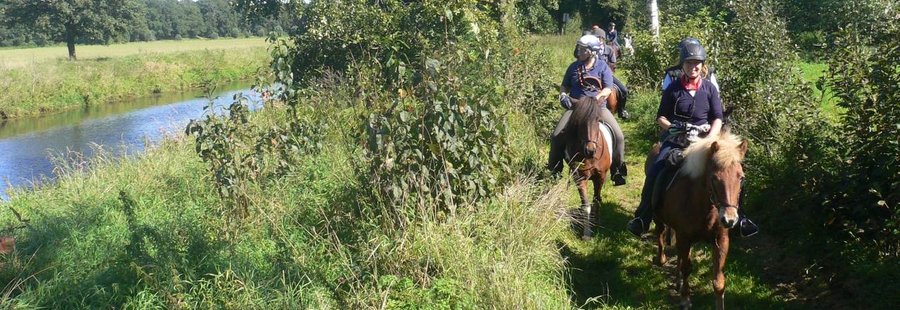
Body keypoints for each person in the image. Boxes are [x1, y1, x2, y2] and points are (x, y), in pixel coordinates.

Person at [626, 40, 758, 237]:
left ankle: (742, 218)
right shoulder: (673, 89)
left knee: (734, 172)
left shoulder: (710, 89)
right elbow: (660, 117)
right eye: (689, 63)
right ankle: (643, 216)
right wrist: (673, 127)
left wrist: (712, 137)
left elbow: (718, 117)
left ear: (702, 65)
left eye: (697, 63)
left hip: (705, 141)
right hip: (677, 140)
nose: (693, 67)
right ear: (683, 66)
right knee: (657, 168)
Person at [549, 35, 627, 186]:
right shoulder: (573, 67)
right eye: (580, 48)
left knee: (619, 137)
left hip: (598, 108)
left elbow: (608, 88)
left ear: (592, 51)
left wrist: (598, 97)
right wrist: (563, 95)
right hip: (576, 108)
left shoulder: (602, 67)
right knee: (556, 135)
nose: (579, 51)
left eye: (583, 49)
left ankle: (617, 170)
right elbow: (564, 85)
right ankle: (555, 169)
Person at [592, 30, 631, 120]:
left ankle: (622, 110)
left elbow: (613, 63)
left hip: (607, 75)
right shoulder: (592, 50)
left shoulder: (609, 49)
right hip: (594, 76)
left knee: (624, 90)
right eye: (596, 38)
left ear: (603, 39)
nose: (598, 40)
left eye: (599, 38)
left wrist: (607, 72)